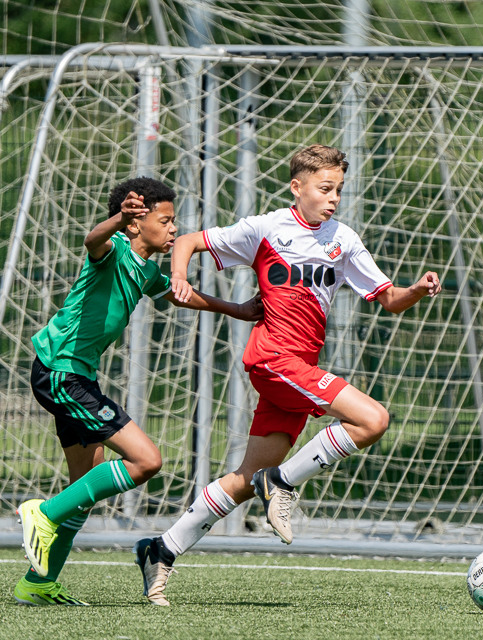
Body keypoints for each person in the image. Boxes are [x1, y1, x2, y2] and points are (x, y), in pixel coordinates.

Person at [133, 144, 442, 606]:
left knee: (245, 477)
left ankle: (162, 549)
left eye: (339, 189)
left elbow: (389, 297)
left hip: (297, 369)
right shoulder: (266, 228)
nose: (333, 197)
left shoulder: (344, 240)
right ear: (297, 187)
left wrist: (417, 288)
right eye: (324, 188)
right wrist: (179, 276)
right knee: (372, 420)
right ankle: (284, 482)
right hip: (273, 357)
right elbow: (188, 241)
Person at [13, 177, 262, 606]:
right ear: (134, 223)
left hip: (76, 377)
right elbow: (92, 240)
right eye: (164, 221)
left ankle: (38, 584)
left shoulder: (147, 270)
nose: (172, 229)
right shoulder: (114, 252)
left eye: (173, 221)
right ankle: (42, 513)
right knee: (147, 460)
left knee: (83, 489)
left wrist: (238, 310)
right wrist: (117, 220)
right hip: (60, 372)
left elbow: (180, 296)